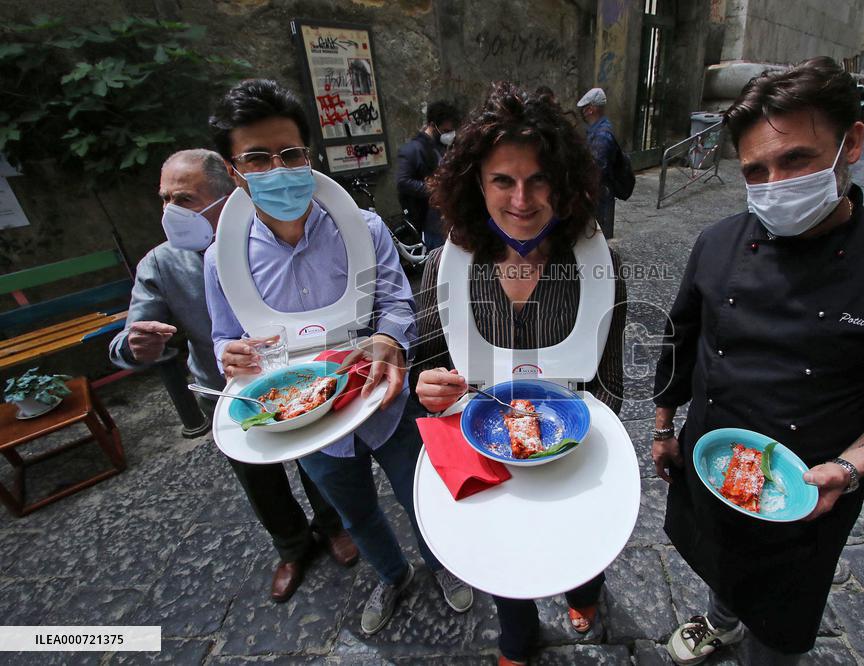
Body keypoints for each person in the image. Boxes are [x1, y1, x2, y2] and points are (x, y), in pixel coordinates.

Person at [650, 57, 864, 665]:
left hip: (809, 490)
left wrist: (851, 467)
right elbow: (679, 339)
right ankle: (720, 620)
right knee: (714, 557)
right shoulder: (717, 243)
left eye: (794, 160)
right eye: (754, 171)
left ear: (851, 141)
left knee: (781, 621)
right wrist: (665, 426)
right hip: (711, 460)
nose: (774, 184)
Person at [204, 79, 473, 635]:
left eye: (290, 153)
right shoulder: (222, 260)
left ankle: (445, 564)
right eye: (257, 157)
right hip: (306, 422)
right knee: (354, 511)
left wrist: (391, 339)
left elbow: (397, 298)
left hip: (382, 398)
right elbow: (224, 337)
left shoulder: (363, 228)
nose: (278, 169)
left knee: (420, 490)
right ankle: (391, 575)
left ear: (310, 156)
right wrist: (228, 356)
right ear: (234, 172)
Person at [413, 82, 628, 666]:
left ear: (563, 183)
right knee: (502, 552)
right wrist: (425, 388)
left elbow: (608, 378)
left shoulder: (595, 262)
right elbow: (428, 366)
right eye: (503, 180)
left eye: (539, 180)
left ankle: (584, 589)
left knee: (578, 540)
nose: (522, 199)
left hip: (571, 433)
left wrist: (580, 444)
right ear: (476, 185)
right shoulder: (443, 267)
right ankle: (517, 635)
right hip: (485, 442)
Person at [109, 149, 359, 603]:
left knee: (317, 459)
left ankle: (334, 526)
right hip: (223, 390)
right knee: (257, 478)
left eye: (184, 199)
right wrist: (134, 344)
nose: (170, 212)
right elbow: (130, 334)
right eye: (164, 199)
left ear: (228, 194)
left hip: (295, 379)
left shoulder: (272, 239)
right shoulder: (163, 263)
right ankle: (291, 547)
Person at [396, 100, 462, 250]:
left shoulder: (443, 146)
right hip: (430, 221)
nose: (450, 134)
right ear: (433, 125)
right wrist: (435, 189)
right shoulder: (413, 150)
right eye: (446, 130)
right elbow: (403, 182)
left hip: (449, 218)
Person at [576, 87, 618, 239]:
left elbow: (596, 169)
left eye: (584, 109)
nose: (582, 112)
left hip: (601, 194)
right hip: (600, 192)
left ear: (591, 109)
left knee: (599, 235)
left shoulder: (602, 135)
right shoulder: (597, 129)